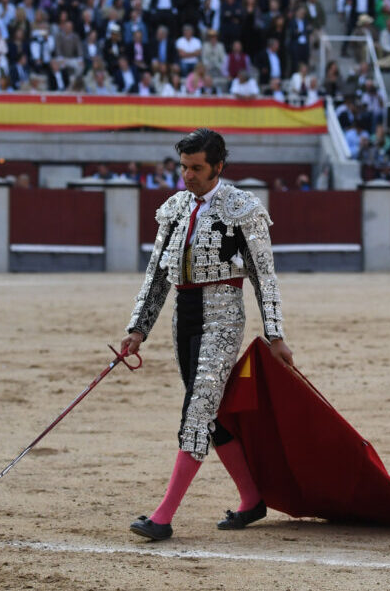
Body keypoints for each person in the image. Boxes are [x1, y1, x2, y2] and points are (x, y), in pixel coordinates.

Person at [121, 128, 293, 542]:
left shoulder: (243, 208)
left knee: (198, 410)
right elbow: (157, 277)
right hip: (186, 315)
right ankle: (252, 499)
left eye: (197, 168)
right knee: (207, 411)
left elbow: (264, 277)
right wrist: (137, 328)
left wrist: (275, 334)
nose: (188, 176)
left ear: (218, 166)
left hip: (223, 316)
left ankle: (162, 516)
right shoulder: (174, 208)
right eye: (183, 167)